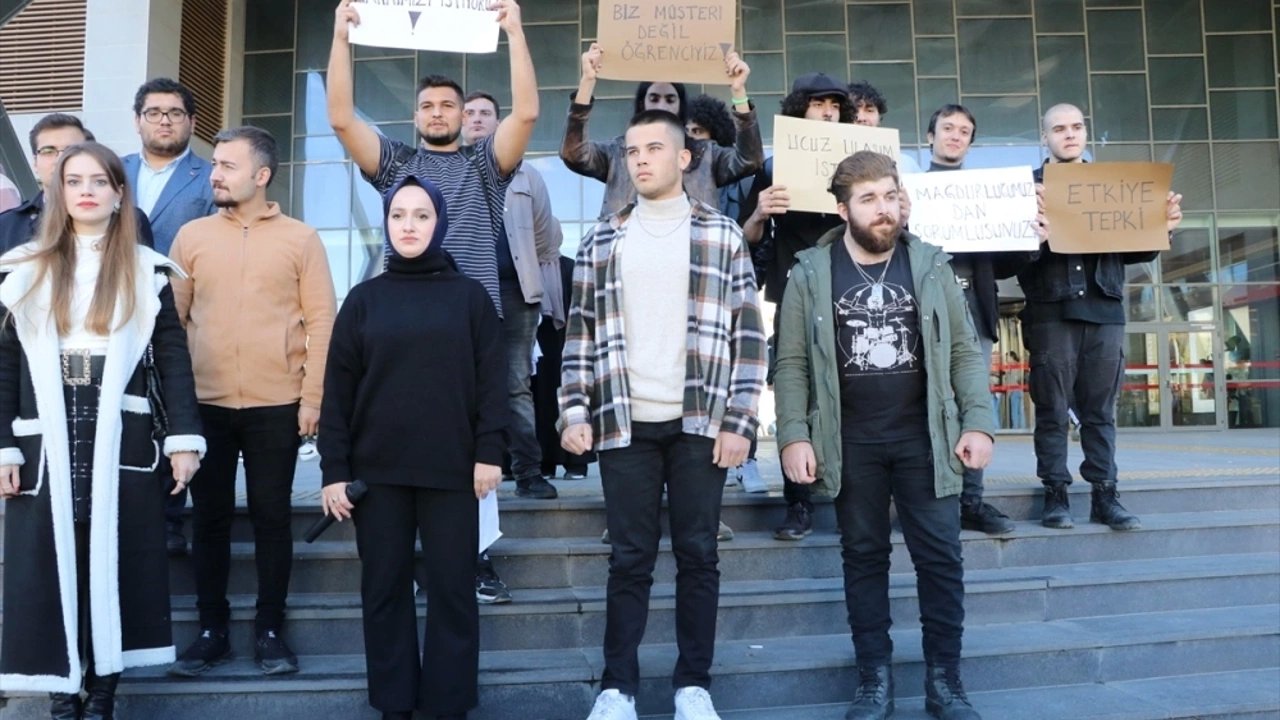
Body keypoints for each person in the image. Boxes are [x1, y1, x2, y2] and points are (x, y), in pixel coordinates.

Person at [559, 110, 766, 720]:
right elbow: (578, 338)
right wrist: (574, 410)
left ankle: (691, 686)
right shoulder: (601, 240)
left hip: (700, 423)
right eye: (630, 150)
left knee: (699, 554)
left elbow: (749, 338)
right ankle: (616, 688)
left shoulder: (722, 235)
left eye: (654, 148)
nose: (639, 158)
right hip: (623, 423)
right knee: (629, 559)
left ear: (685, 158)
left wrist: (741, 422)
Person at [774, 150, 995, 720]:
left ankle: (946, 683)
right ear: (843, 208)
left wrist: (977, 421)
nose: (883, 209)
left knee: (941, 560)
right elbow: (791, 364)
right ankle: (874, 681)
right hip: (851, 444)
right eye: (868, 199)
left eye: (890, 195)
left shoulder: (932, 265)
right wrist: (794, 436)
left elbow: (967, 353)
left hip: (927, 439)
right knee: (863, 558)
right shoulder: (809, 273)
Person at [0, 142, 204, 719]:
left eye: (99, 180)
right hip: (44, 436)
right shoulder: (22, 271)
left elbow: (172, 358)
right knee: (48, 568)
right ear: (59, 193)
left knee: (111, 565)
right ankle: (64, 698)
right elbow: (4, 366)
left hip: (122, 437)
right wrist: (3, 447)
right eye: (73, 180)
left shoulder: (146, 271)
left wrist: (183, 439)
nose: (86, 189)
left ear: (119, 193)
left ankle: (104, 696)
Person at [319, 173, 506, 720]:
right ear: (386, 224)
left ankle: (447, 705)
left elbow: (493, 383)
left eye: (421, 215)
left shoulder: (470, 297)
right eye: (399, 215)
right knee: (384, 593)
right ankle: (395, 704)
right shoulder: (363, 300)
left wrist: (489, 452)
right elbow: (338, 393)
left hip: (455, 473)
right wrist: (335, 470)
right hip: (377, 477)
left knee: (452, 593)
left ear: (439, 223)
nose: (409, 225)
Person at [167, 126, 337, 677]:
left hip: (278, 405)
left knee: (271, 518)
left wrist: (312, 398)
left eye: (226, 166)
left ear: (261, 176)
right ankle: (211, 630)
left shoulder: (301, 238)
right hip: (205, 407)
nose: (214, 174)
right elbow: (171, 326)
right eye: (214, 164)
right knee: (209, 520)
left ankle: (269, 630)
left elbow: (323, 323)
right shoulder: (192, 237)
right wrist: (177, 411)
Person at [1024, 103, 1183, 531]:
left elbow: (1139, 249)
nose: (1069, 134)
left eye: (1076, 127)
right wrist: (1029, 237)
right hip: (1050, 311)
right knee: (1052, 409)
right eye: (1059, 128)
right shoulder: (1027, 189)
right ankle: (1055, 495)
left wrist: (1163, 227)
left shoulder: (1116, 187)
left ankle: (1104, 495)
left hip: (1105, 310)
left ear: (1086, 133)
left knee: (1100, 411)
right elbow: (1008, 261)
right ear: (1045, 137)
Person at [738, 71, 854, 541]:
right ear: (798, 110)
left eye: (834, 106)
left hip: (852, 292)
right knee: (796, 393)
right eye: (817, 104)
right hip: (795, 293)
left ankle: (853, 497)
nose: (826, 112)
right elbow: (745, 240)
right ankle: (798, 502)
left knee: (856, 393)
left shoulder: (860, 165)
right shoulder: (772, 167)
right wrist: (761, 212)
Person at [460, 89, 564, 604]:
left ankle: (528, 472)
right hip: (463, 296)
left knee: (517, 384)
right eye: (470, 114)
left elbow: (548, 241)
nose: (478, 121)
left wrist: (546, 295)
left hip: (515, 294)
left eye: (486, 114)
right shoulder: (450, 170)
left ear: (500, 123)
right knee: (463, 389)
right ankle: (474, 472)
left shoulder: (528, 177)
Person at [906, 104, 1021, 535]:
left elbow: (1008, 263)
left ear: (971, 141)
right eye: (948, 128)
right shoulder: (910, 190)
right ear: (930, 135)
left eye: (965, 131)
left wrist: (1031, 235)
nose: (956, 135)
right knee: (919, 403)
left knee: (972, 403)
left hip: (974, 308)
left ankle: (971, 501)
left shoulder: (988, 191)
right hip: (921, 308)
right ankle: (924, 502)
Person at [122, 77, 217, 556]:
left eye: (175, 113)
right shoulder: (110, 172)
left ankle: (172, 520)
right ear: (138, 120)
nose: (164, 120)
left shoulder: (211, 176)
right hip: (115, 318)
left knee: (174, 414)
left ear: (191, 122)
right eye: (154, 112)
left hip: (180, 317)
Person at [561, 44, 762, 220]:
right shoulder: (618, 151)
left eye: (670, 99)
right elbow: (574, 154)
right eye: (654, 98)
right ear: (642, 103)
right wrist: (587, 82)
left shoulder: (705, 153)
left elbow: (749, 160)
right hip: (627, 253)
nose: (662, 106)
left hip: (696, 254)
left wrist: (738, 92)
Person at [0, 113, 155, 254]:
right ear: (35, 162)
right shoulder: (8, 226)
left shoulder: (130, 221)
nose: (60, 159)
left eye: (72, 150)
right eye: (48, 151)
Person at [847, 81, 923, 174]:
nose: (861, 118)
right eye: (853, 111)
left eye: (869, 110)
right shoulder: (830, 160)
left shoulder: (906, 164)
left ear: (879, 118)